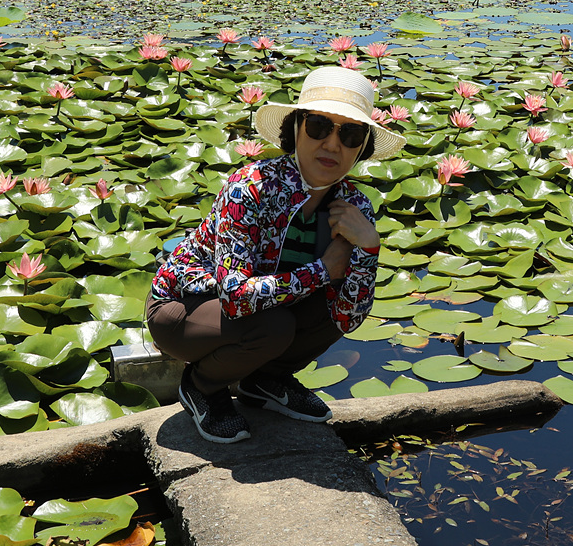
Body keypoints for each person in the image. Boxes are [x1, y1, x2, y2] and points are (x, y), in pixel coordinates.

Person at [146, 66, 402, 443]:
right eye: (318, 127)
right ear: (295, 128)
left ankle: (264, 381)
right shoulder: (250, 187)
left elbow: (350, 316)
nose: (333, 145)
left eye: (349, 134)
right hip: (185, 308)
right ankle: (203, 386)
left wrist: (368, 247)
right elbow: (235, 299)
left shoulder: (354, 207)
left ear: (361, 147)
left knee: (329, 311)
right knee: (273, 325)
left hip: (262, 310)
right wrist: (323, 270)